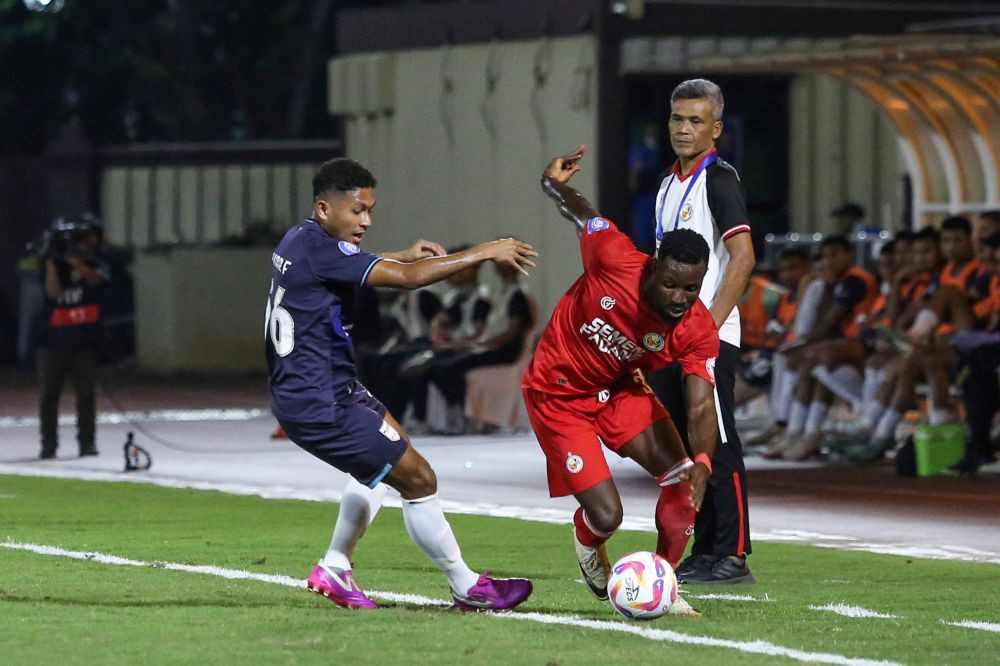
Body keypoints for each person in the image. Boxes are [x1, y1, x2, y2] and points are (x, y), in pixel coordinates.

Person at [266, 157, 536, 611]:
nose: (366, 220)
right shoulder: (320, 248)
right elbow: (409, 282)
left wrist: (398, 255)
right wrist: (486, 249)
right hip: (322, 401)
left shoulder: (300, 239)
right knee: (418, 478)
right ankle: (467, 586)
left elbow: (352, 265)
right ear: (324, 208)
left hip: (325, 390)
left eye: (370, 210)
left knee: (389, 458)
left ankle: (335, 565)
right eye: (357, 211)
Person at [523, 145, 721, 616]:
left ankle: (662, 584)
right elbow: (581, 211)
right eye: (671, 283)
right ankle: (588, 541)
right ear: (654, 266)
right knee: (608, 515)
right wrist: (553, 182)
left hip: (619, 391)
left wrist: (704, 461)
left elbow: (699, 403)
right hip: (557, 396)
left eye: (691, 288)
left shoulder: (697, 329)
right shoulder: (613, 257)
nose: (679, 297)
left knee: (681, 481)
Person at [650, 78, 756, 584]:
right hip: (674, 336)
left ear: (716, 128)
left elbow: (743, 256)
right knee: (691, 443)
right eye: (677, 119)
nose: (684, 129)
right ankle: (708, 549)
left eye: (696, 121)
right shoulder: (668, 183)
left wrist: (708, 328)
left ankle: (733, 553)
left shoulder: (720, 180)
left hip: (709, 334)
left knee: (719, 439)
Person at [36, 217, 109, 459]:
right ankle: (49, 444)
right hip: (52, 342)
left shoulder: (92, 261)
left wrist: (75, 261)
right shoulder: (49, 264)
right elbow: (53, 293)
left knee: (87, 395)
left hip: (84, 341)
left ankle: (87, 442)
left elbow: (97, 279)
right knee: (49, 396)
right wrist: (51, 263)